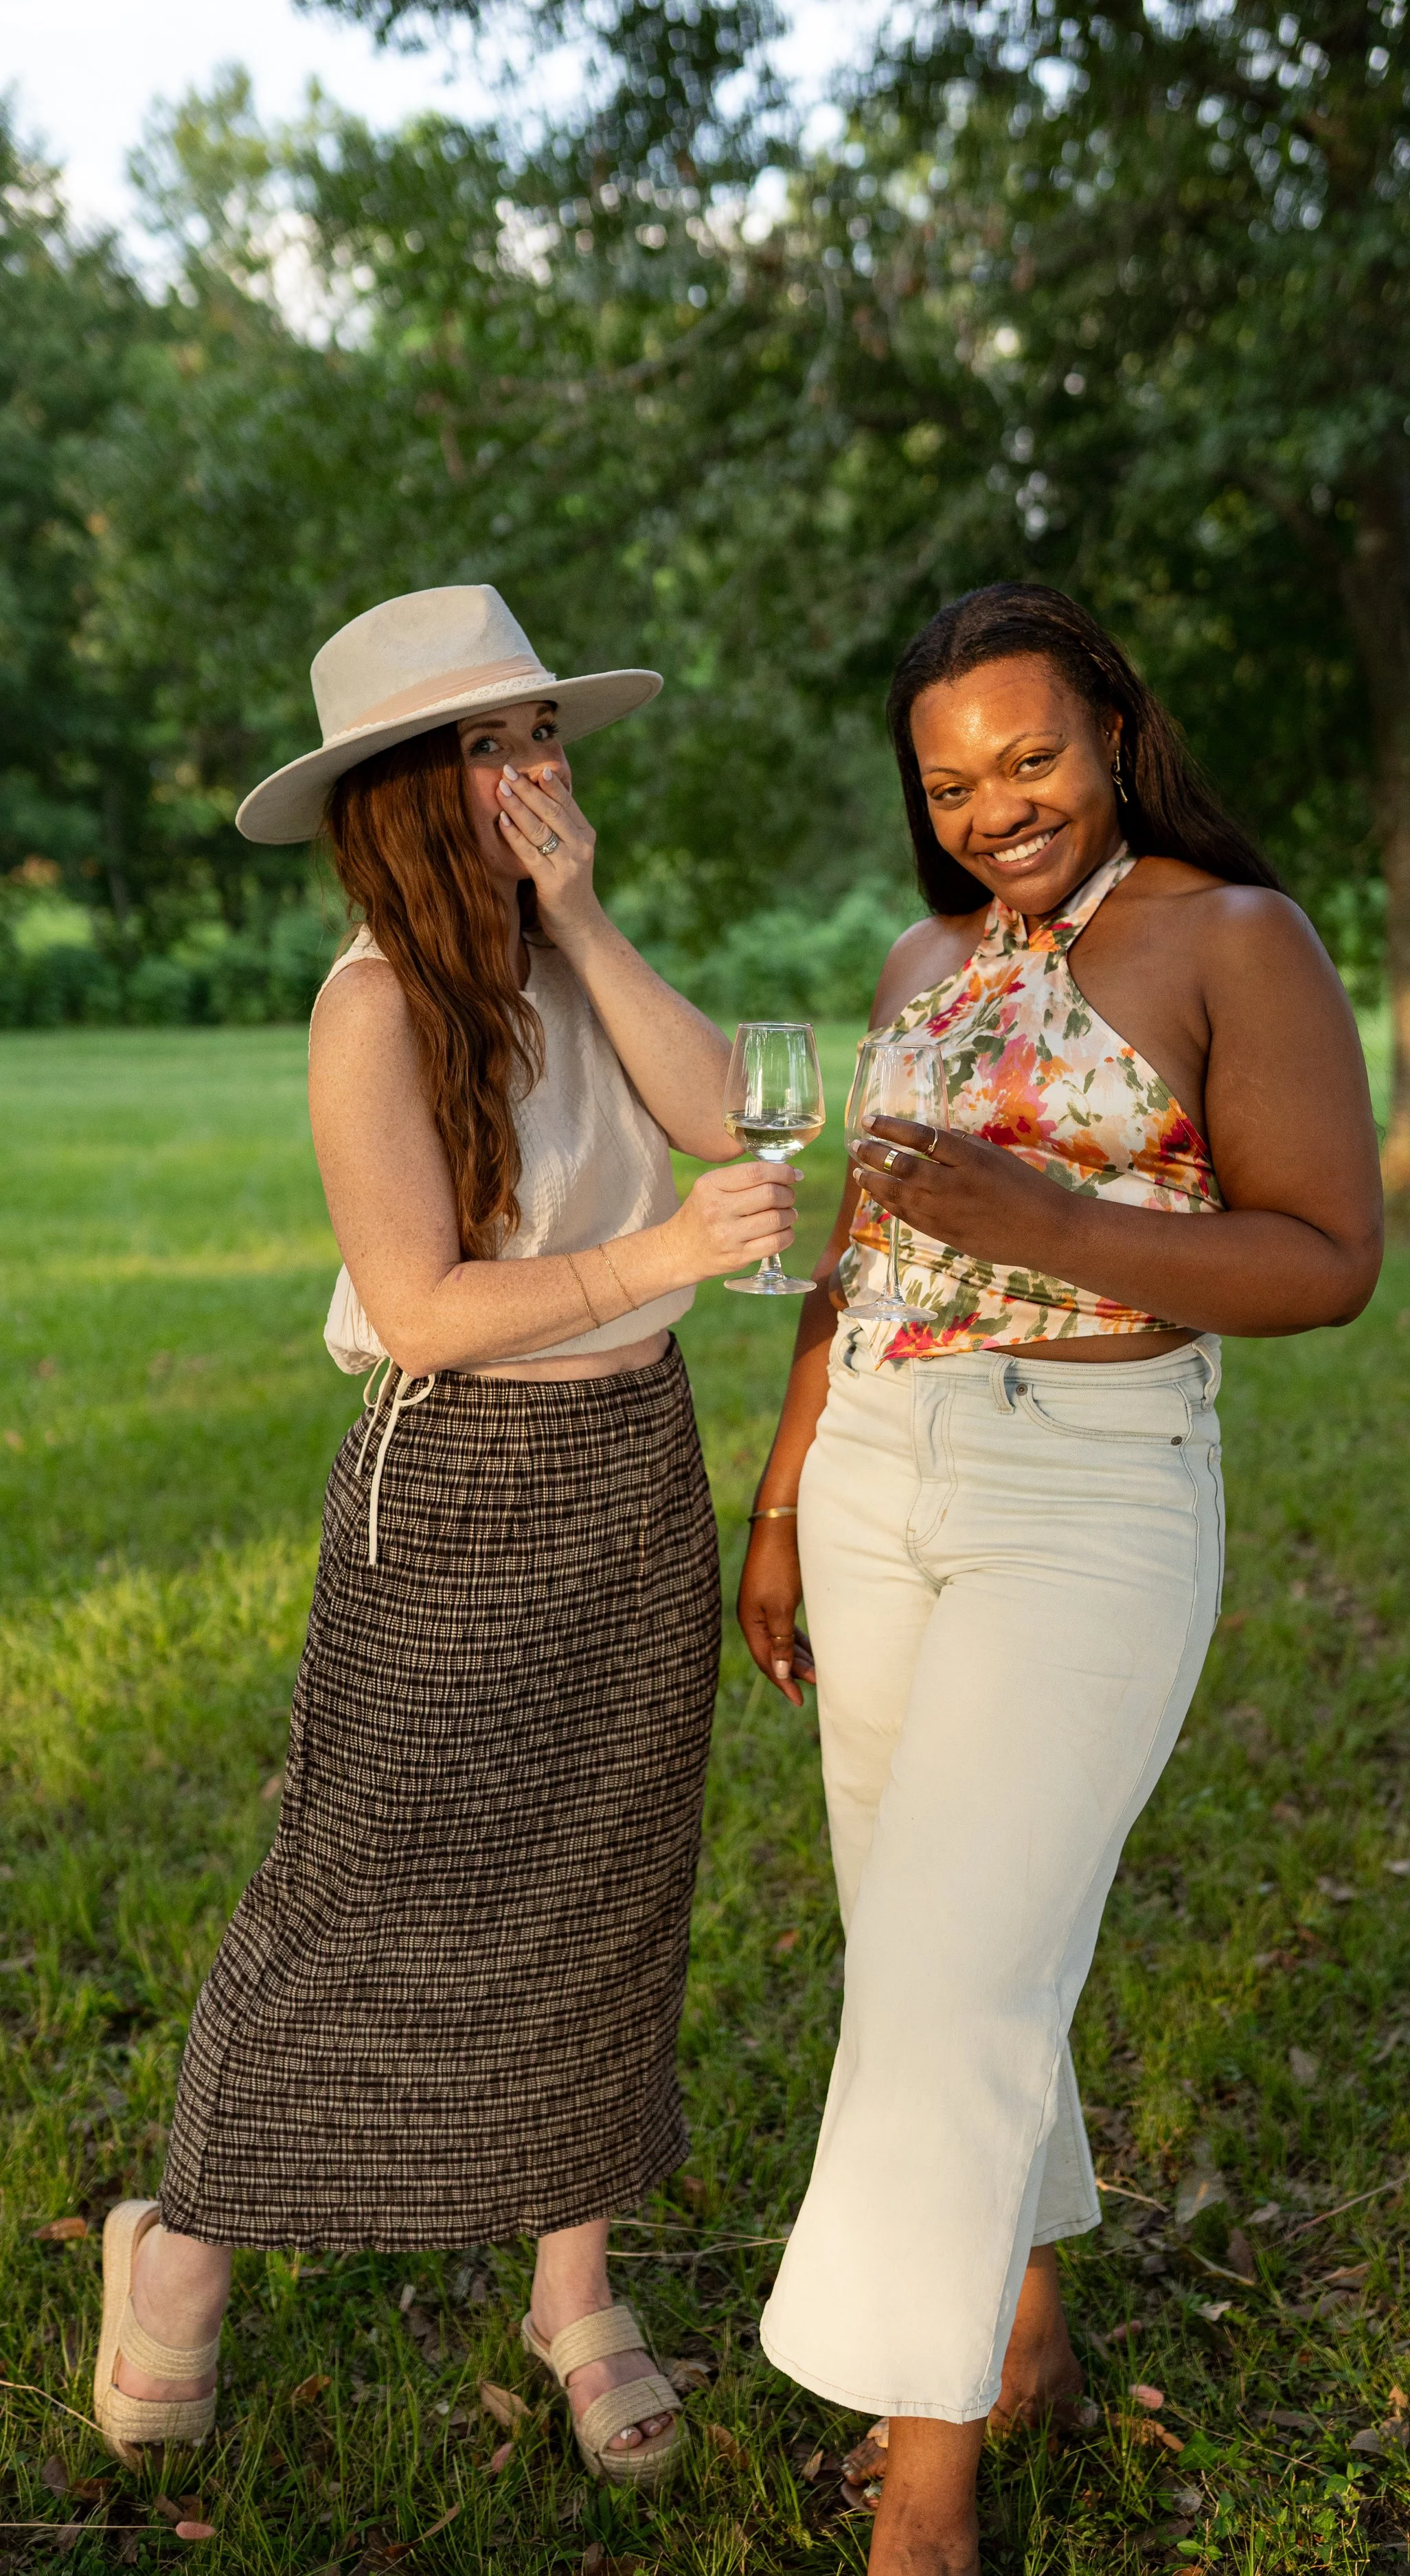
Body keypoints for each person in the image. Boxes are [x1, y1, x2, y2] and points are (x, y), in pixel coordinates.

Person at [92, 583, 797, 2489]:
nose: (535, 766)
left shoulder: (569, 954)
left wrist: (584, 915)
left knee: (605, 1882)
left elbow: (723, 1111)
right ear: (403, 791)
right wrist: (662, 1253)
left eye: (541, 729)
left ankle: (574, 2289)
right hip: (465, 1482)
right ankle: (180, 2246)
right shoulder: (371, 1006)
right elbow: (418, 1308)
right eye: (489, 744)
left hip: (634, 1463)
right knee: (362, 1890)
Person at [738, 583, 1384, 2573]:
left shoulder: (1233, 937)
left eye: (1029, 759)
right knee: (924, 1940)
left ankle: (922, 2497)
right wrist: (779, 1500)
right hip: (876, 1472)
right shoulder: (921, 960)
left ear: (1110, 727)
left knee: (947, 1980)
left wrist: (1044, 1218)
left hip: (1086, 1489)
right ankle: (1018, 2331)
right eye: (951, 784)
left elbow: (1326, 1259)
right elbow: (866, 1251)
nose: (994, 809)